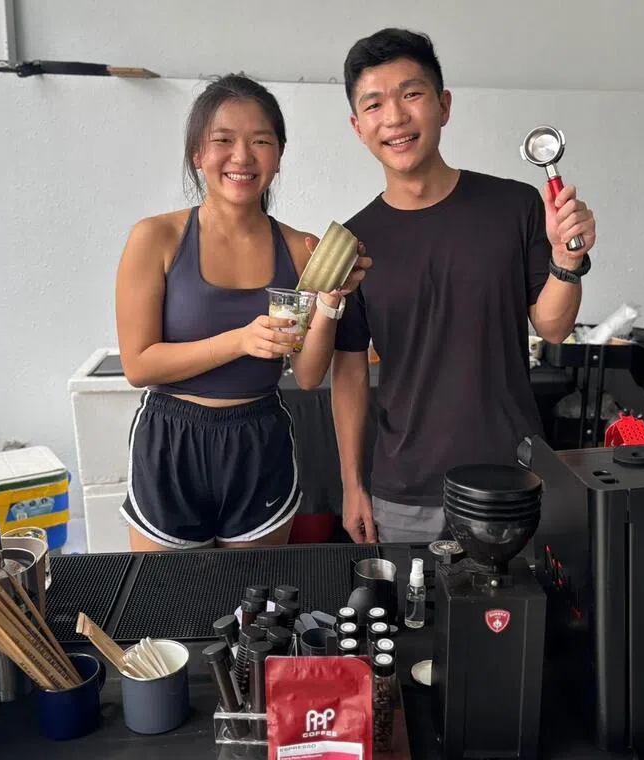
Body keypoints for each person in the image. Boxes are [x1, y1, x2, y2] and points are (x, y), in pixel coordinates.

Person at [297, 29, 598, 544]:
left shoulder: (515, 206)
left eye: (411, 94)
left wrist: (567, 259)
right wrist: (352, 484)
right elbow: (348, 373)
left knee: (521, 599)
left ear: (444, 106)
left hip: (511, 479)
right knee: (411, 601)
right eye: (374, 104)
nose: (395, 117)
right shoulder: (355, 242)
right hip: (403, 490)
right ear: (357, 126)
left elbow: (552, 326)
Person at [114, 73, 371, 551]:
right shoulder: (155, 238)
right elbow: (138, 364)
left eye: (261, 141)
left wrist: (331, 302)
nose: (242, 157)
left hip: (259, 439)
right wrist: (239, 340)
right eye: (223, 140)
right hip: (172, 439)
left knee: (257, 594)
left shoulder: (301, 248)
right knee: (164, 593)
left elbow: (308, 375)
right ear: (198, 153)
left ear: (278, 155)